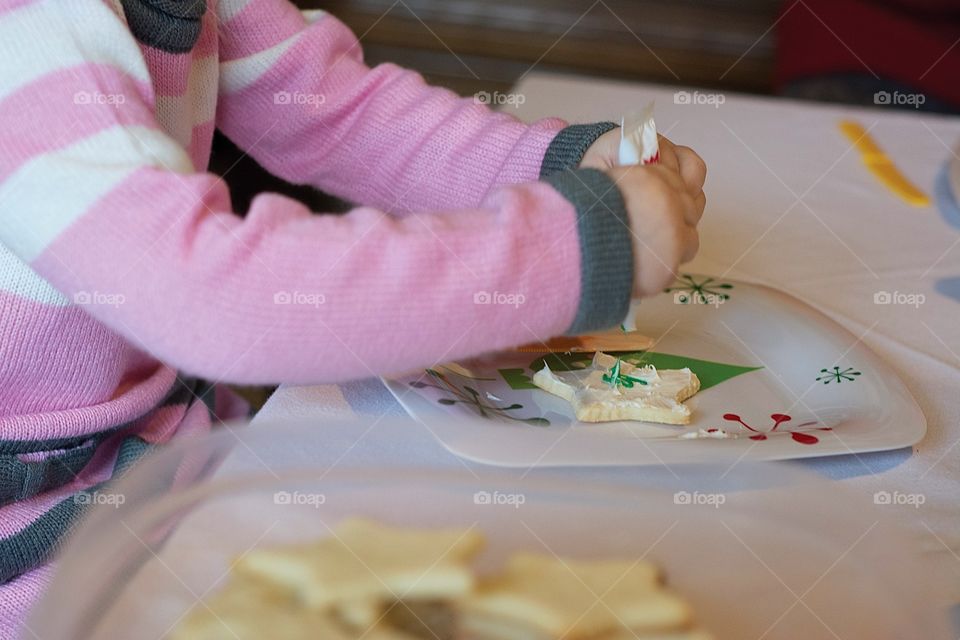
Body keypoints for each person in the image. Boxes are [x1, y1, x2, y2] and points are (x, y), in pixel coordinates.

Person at [0, 0, 706, 633]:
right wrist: (573, 248)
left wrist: (549, 165)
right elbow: (212, 296)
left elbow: (333, 112)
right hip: (32, 537)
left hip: (155, 443)